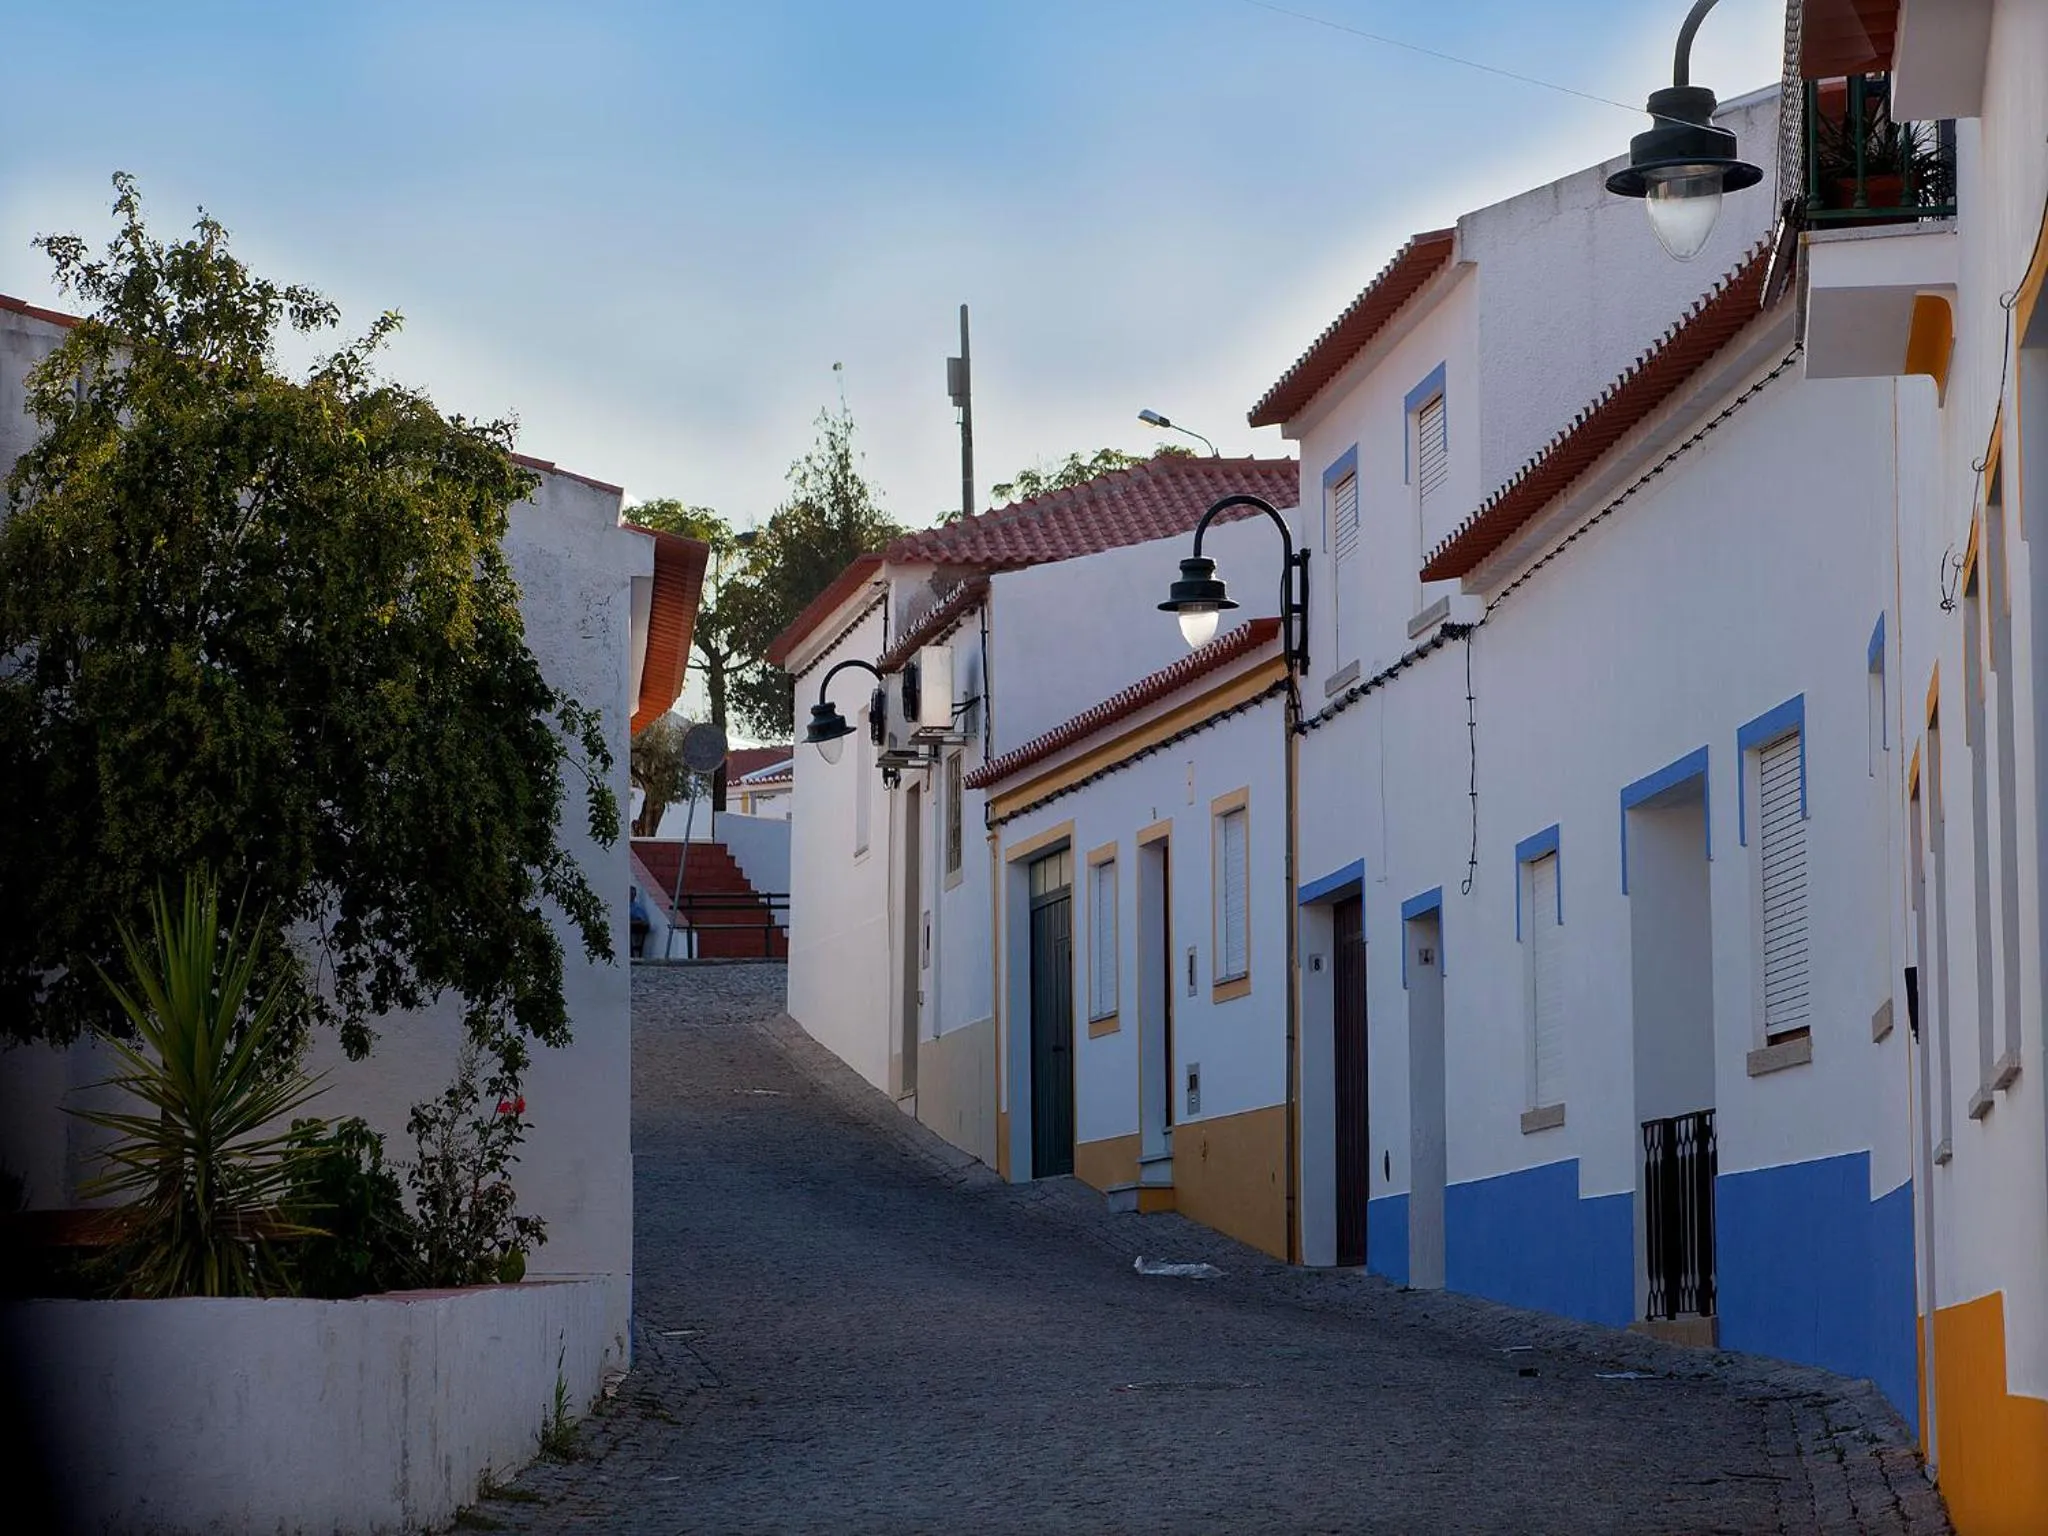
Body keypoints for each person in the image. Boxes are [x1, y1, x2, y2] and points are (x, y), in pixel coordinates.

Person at [629, 885, 651, 959]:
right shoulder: (624, 905)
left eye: (633, 894)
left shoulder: (637, 907)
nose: (631, 896)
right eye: (630, 894)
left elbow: (642, 921)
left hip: (637, 929)